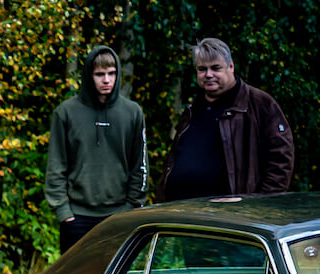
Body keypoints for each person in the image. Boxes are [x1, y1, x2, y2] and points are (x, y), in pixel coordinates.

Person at [159, 38, 294, 201]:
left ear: (231, 67)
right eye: (202, 69)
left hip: (229, 219)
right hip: (182, 211)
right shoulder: (192, 109)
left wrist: (260, 204)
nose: (208, 75)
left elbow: (281, 160)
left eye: (215, 68)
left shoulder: (259, 104)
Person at [46, 46, 148, 253]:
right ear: (88, 75)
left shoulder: (132, 113)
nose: (106, 80)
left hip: (119, 215)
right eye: (99, 74)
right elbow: (56, 166)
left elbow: (140, 166)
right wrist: (64, 212)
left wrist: (131, 207)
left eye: (111, 74)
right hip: (77, 217)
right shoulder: (66, 113)